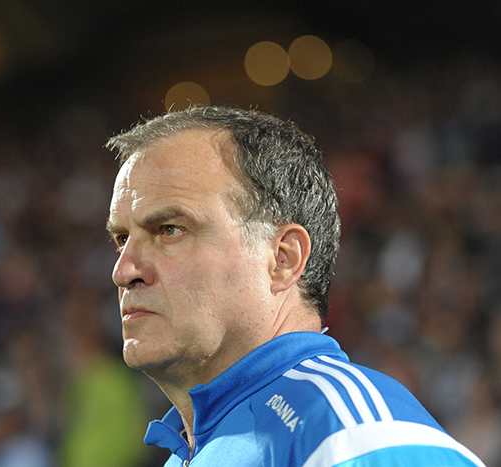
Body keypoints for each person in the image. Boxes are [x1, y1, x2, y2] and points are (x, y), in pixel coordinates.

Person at [104, 106, 485, 467]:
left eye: (169, 230)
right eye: (122, 239)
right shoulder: (195, 449)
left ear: (283, 259)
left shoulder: (355, 437)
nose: (124, 271)